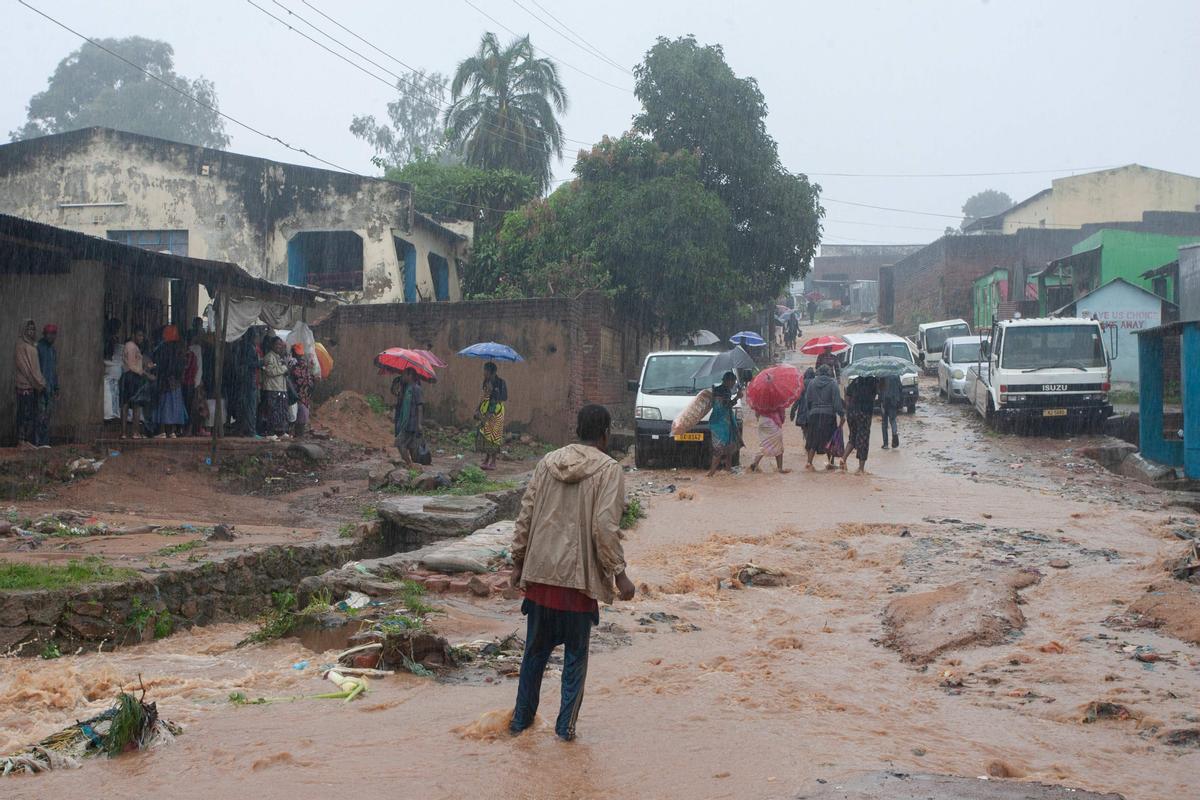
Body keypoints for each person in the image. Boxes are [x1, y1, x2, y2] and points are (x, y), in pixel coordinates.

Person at [508, 404, 635, 742]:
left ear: (577, 429)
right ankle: (565, 733)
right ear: (605, 433)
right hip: (578, 585)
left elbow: (525, 516)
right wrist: (620, 574)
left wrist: (518, 561)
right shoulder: (609, 470)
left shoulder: (547, 462)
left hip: (540, 578)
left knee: (534, 655)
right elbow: (604, 528)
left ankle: (519, 726)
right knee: (575, 661)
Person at [803, 364, 844, 471]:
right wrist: (842, 414)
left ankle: (809, 463)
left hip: (814, 415)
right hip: (829, 415)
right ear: (829, 373)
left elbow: (808, 400)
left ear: (819, 372)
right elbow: (837, 403)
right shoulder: (833, 384)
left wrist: (811, 412)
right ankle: (830, 463)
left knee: (813, 440)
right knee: (830, 440)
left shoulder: (812, 383)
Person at [14, 319, 46, 449]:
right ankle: (21, 441)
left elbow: (36, 367)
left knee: (30, 414)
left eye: (33, 329)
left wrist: (39, 382)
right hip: (24, 385)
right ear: (24, 330)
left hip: (33, 385)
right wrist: (37, 382)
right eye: (28, 329)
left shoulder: (33, 345)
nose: (31, 332)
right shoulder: (21, 345)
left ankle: (26, 441)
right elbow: (25, 368)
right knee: (23, 414)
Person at [153, 325, 187, 438]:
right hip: (176, 381)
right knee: (174, 406)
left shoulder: (162, 348)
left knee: (164, 405)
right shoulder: (179, 348)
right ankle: (171, 431)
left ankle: (162, 431)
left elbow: (159, 363)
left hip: (165, 380)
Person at [706, 371, 741, 477]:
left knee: (727, 447)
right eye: (733, 382)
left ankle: (727, 469)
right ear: (728, 381)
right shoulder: (724, 392)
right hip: (722, 424)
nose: (733, 384)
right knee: (720, 449)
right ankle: (711, 473)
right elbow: (727, 405)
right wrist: (737, 397)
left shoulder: (717, 390)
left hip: (719, 422)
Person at [475, 362, 508, 471]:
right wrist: (477, 409)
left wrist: (494, 391)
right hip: (486, 409)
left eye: (485, 370)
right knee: (485, 434)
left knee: (494, 436)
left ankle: (493, 461)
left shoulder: (500, 383)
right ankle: (486, 458)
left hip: (496, 412)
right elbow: (483, 396)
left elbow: (503, 398)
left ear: (492, 372)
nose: (484, 372)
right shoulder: (486, 382)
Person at [842, 376, 878, 474]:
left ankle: (843, 459)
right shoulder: (873, 382)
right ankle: (861, 469)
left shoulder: (856, 381)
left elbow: (847, 395)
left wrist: (848, 409)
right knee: (863, 440)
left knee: (853, 438)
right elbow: (879, 393)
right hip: (864, 414)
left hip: (851, 413)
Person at [259, 335, 291, 439]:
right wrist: (284, 368)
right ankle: (270, 433)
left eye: (280, 345)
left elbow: (281, 370)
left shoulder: (279, 357)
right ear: (272, 345)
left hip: (281, 388)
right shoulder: (269, 357)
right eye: (277, 344)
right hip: (272, 388)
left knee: (281, 412)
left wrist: (285, 369)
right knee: (272, 412)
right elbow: (270, 371)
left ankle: (281, 432)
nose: (279, 346)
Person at [120, 327, 148, 439]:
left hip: (128, 376)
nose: (141, 338)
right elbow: (132, 366)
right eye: (139, 335)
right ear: (133, 335)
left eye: (142, 335)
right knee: (135, 405)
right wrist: (143, 372)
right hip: (133, 377)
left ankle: (124, 432)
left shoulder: (131, 346)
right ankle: (134, 432)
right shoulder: (131, 346)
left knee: (125, 405)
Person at [391, 368, 423, 465]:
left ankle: (410, 465)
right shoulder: (406, 388)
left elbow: (420, 407)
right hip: (405, 422)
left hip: (411, 422)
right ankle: (414, 465)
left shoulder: (416, 388)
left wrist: (419, 424)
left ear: (410, 375)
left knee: (399, 444)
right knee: (410, 446)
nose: (402, 376)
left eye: (404, 374)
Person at [35, 324, 59, 447]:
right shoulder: (38, 348)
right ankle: (37, 442)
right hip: (40, 387)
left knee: (47, 415)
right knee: (40, 415)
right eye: (49, 334)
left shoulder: (52, 350)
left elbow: (54, 371)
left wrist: (56, 387)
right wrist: (40, 384)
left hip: (49, 388)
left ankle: (44, 442)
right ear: (44, 334)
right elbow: (36, 369)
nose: (52, 336)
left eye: (54, 334)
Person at [750, 404, 790, 474]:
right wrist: (782, 420)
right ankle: (779, 469)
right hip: (773, 422)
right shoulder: (778, 398)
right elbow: (782, 413)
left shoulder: (760, 398)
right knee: (778, 445)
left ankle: (755, 463)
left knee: (764, 443)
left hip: (762, 421)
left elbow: (756, 414)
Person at [289, 343, 314, 438]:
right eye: (298, 354)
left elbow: (308, 379)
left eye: (300, 354)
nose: (299, 355)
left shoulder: (303, 364)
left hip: (302, 395)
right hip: (295, 394)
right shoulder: (293, 364)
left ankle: (299, 436)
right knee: (294, 416)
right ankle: (295, 435)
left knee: (301, 416)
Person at [790, 367, 817, 444]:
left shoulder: (801, 384)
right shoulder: (816, 383)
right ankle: (811, 444)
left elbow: (797, 400)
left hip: (803, 411)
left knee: (805, 429)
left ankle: (807, 442)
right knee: (813, 428)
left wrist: (793, 412)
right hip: (813, 410)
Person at [103, 320, 123, 422]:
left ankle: (110, 413)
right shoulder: (111, 339)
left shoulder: (109, 339)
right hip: (113, 368)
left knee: (110, 392)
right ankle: (111, 413)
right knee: (113, 392)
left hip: (111, 368)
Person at [879, 373, 901, 450]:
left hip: (884, 401)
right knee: (893, 420)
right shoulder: (896, 375)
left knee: (884, 423)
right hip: (893, 401)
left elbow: (879, 389)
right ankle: (894, 437)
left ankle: (885, 444)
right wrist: (899, 402)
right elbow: (900, 388)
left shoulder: (882, 375)